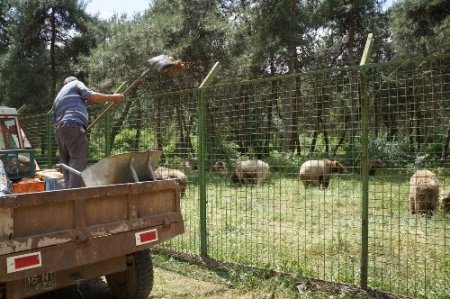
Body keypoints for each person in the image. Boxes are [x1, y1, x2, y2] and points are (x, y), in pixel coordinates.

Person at [53, 76, 125, 188]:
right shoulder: (76, 83)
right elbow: (92, 97)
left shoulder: (58, 97)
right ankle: (74, 197)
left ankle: (66, 195)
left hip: (60, 131)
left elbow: (55, 121)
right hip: (73, 125)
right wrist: (114, 97)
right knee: (77, 162)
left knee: (66, 166)